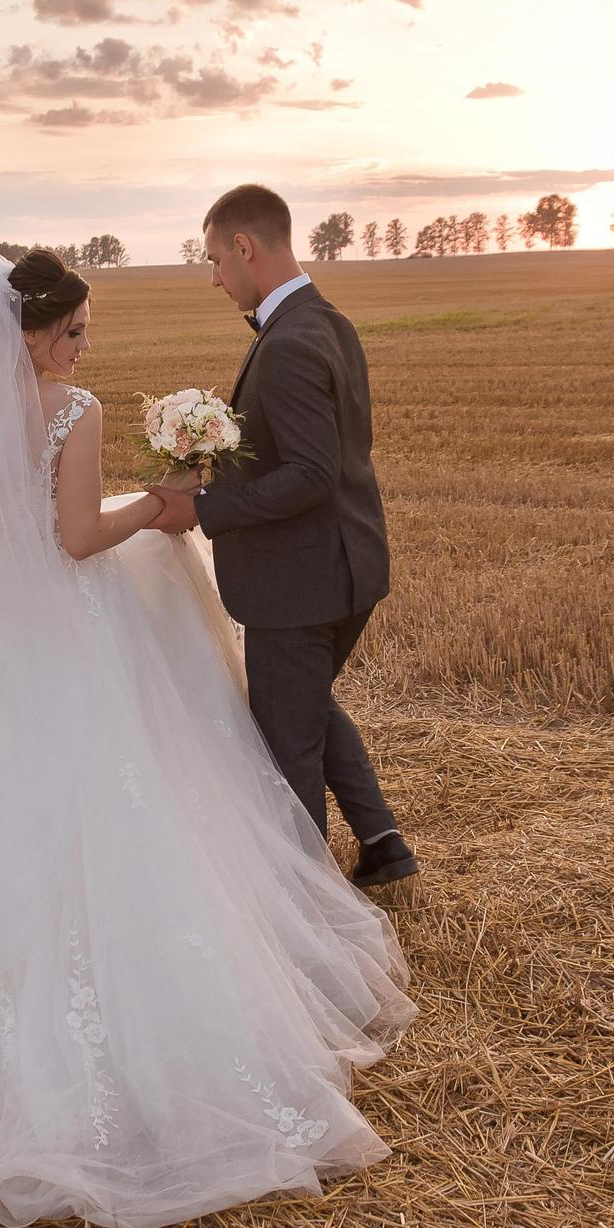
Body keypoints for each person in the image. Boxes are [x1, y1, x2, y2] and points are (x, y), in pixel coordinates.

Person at [0, 247, 414, 1228]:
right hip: (64, 625)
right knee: (109, 796)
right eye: (71, 330)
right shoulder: (77, 410)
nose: (81, 345)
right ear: (30, 333)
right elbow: (75, 538)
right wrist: (158, 505)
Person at [147, 184, 419, 888]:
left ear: (245, 247)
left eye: (215, 259)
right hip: (346, 567)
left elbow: (312, 472)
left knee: (286, 744)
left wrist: (205, 509)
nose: (214, 278)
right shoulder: (327, 322)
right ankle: (383, 842)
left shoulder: (290, 342)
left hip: (301, 584)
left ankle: (311, 908)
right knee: (305, 702)